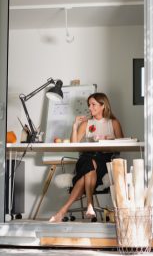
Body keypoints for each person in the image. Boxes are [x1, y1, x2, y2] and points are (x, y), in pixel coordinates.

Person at [49, 92, 124, 222]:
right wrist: (75, 126)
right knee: (89, 162)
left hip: (104, 160)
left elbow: (122, 144)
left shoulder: (114, 123)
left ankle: (63, 211)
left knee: (89, 169)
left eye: (93, 104)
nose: (90, 108)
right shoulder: (86, 123)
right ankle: (90, 205)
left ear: (103, 106)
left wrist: (108, 138)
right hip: (86, 157)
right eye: (89, 105)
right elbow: (73, 144)